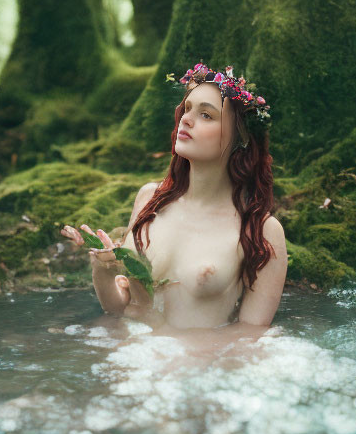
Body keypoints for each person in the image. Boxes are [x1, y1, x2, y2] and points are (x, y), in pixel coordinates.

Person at [61, 63, 287, 334]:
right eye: (187, 108)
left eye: (206, 114)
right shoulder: (149, 199)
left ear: (241, 139)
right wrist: (103, 270)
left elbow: (250, 336)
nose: (187, 119)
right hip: (130, 361)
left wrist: (168, 349)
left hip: (192, 368)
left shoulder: (260, 230)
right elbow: (120, 309)